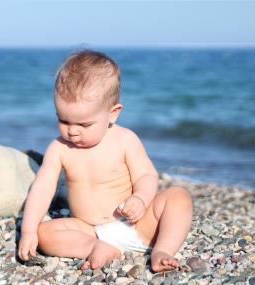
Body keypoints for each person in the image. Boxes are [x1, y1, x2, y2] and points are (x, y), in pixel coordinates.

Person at [18, 50, 193, 272]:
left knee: (178, 197)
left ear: (113, 114)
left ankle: (163, 250)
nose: (72, 132)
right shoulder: (59, 148)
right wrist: (29, 231)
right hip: (89, 229)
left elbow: (146, 175)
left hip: (136, 224)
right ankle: (98, 247)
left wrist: (140, 198)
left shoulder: (125, 139)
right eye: (63, 120)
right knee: (45, 233)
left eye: (84, 125)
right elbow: (42, 188)